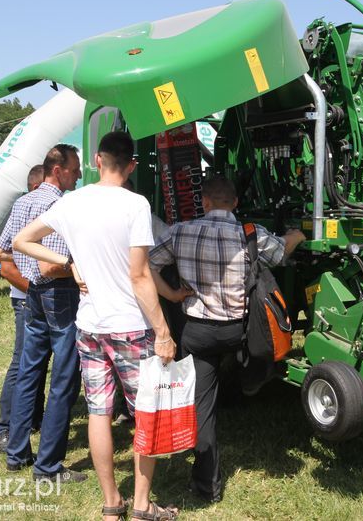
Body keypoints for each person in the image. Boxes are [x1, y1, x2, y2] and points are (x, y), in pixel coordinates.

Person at [14, 131, 185, 520]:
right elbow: (140, 275)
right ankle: (141, 505)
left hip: (89, 325)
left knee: (97, 412)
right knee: (146, 414)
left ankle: (111, 505)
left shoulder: (72, 202)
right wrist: (163, 331)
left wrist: (70, 262)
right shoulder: (135, 204)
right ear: (132, 166)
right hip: (130, 326)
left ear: (96, 158)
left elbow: (22, 241)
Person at [149, 175, 305, 503]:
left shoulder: (179, 232)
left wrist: (174, 294)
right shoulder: (250, 234)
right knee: (260, 358)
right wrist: (298, 234)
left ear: (203, 202)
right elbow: (280, 253)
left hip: (198, 332)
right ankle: (252, 380)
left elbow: (148, 266)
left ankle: (207, 487)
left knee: (203, 405)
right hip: (241, 331)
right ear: (235, 204)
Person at [0, 145, 87, 484]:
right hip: (59, 295)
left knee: (29, 371)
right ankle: (48, 466)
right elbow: (50, 265)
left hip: (31, 295)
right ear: (58, 169)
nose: (78, 174)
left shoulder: (24, 201)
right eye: (75, 168)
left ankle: (17, 451)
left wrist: (26, 277)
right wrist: (81, 267)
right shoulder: (59, 205)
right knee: (64, 379)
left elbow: (3, 250)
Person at [0, 164, 45, 454]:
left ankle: (31, 418)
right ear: (37, 189)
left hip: (34, 299)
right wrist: (37, 292)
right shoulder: (24, 213)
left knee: (35, 364)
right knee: (22, 363)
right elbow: (6, 265)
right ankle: (7, 427)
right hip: (27, 300)